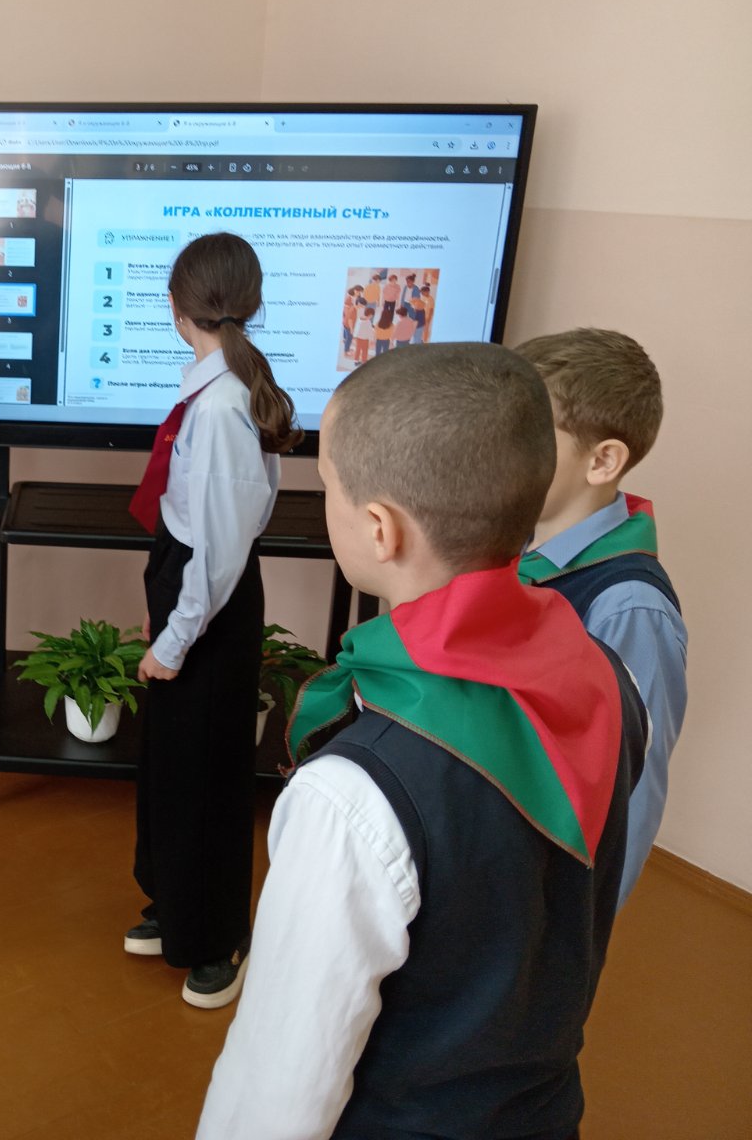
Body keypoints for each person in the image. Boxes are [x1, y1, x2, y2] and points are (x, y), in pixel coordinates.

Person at [197, 342, 647, 1139]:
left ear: (379, 529)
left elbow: (280, 1089)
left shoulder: (354, 792)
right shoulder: (607, 677)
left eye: (328, 485)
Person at [125, 232, 300, 1009]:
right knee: (172, 763)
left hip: (210, 600)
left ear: (175, 306)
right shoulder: (220, 385)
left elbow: (222, 551)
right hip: (188, 579)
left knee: (208, 772)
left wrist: (174, 639)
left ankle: (218, 934)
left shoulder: (226, 404)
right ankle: (175, 903)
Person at [517, 327, 686, 905]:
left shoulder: (630, 607)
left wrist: (582, 924)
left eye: (526, 433)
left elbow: (630, 789)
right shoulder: (515, 548)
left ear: (603, 461)